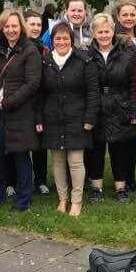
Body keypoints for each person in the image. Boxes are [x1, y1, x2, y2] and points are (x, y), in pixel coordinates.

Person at [36, 22, 100, 217]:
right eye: (57, 38)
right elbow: (39, 94)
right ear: (52, 40)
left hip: (77, 117)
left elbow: (93, 92)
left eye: (65, 38)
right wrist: (39, 118)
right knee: (57, 161)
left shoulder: (84, 60)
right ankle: (62, 199)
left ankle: (76, 201)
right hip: (53, 118)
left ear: (71, 40)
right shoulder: (45, 61)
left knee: (75, 161)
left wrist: (90, 118)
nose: (61, 41)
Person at [0, 9, 42, 211]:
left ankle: (23, 199)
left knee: (20, 155)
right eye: (7, 26)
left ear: (21, 28)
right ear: (2, 28)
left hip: (20, 112)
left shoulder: (30, 50)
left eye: (14, 26)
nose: (11, 30)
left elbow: (32, 83)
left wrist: (8, 102)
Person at [85, 14, 136, 204]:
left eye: (107, 31)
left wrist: (134, 110)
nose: (104, 35)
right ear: (93, 34)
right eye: (99, 32)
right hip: (96, 107)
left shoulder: (127, 52)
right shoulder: (87, 55)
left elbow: (133, 84)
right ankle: (96, 188)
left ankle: (121, 188)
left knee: (119, 150)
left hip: (120, 105)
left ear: (113, 31)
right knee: (95, 151)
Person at [113, 0, 136, 192]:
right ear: (118, 16)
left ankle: (131, 177)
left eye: (132, 14)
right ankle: (122, 178)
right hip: (122, 94)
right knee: (123, 141)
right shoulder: (114, 38)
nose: (129, 18)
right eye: (125, 14)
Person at [22, 9, 50, 194]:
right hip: (23, 100)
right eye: (32, 24)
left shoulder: (44, 48)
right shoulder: (20, 47)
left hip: (41, 100)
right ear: (24, 25)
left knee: (40, 144)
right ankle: (17, 180)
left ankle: (40, 179)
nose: (36, 28)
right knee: (21, 143)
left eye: (39, 24)